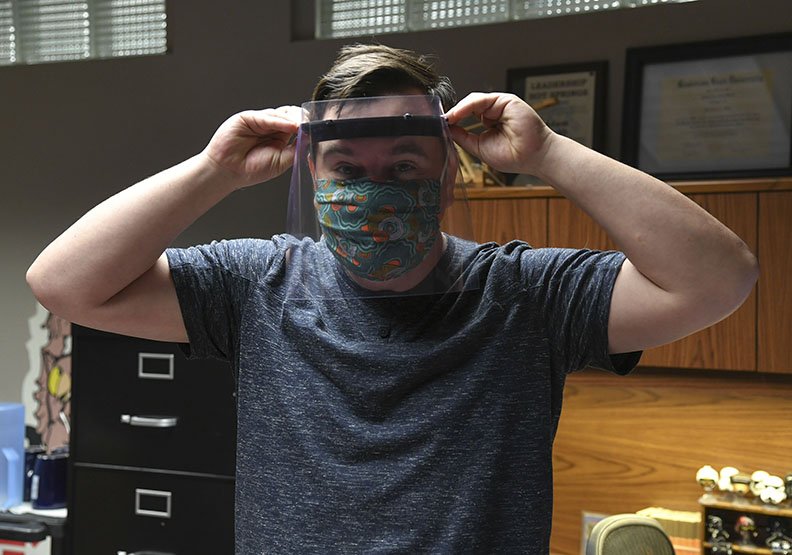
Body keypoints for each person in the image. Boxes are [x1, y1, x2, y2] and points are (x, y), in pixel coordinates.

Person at [26, 44, 758, 553]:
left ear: (447, 178)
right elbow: (64, 282)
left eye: (404, 164)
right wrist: (215, 169)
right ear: (313, 173)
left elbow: (719, 279)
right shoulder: (257, 283)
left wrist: (546, 153)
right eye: (348, 165)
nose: (375, 188)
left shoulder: (524, 292)